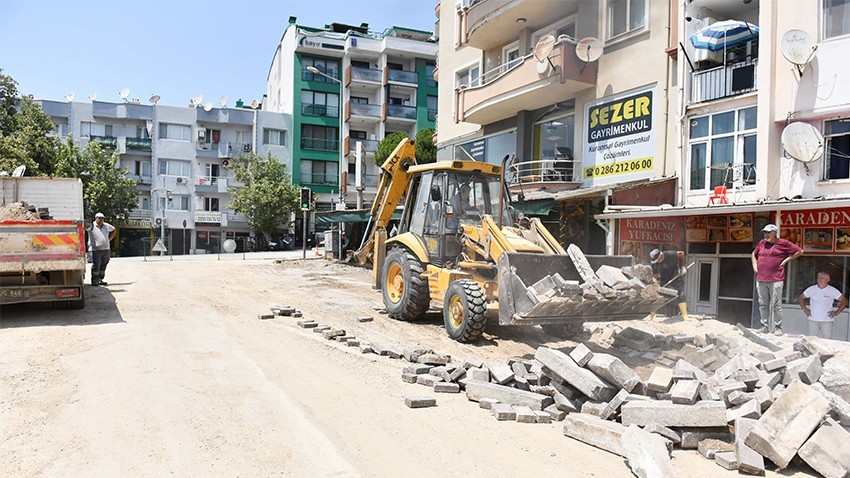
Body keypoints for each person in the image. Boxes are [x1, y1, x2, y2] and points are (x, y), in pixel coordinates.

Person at [752, 224, 803, 336]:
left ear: (774, 233)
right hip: (761, 278)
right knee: (763, 304)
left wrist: (786, 261)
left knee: (776, 304)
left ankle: (777, 327)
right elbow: (753, 254)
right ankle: (764, 326)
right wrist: (755, 265)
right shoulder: (762, 243)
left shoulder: (783, 243)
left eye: (768, 232)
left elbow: (799, 251)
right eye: (765, 232)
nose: (766, 234)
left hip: (776, 278)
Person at [799, 271, 847, 339]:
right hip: (813, 319)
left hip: (826, 320)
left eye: (822, 278)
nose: (820, 279)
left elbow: (844, 301)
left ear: (828, 280)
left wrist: (836, 313)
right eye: (818, 278)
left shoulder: (832, 290)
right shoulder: (812, 289)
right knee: (812, 339)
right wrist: (805, 309)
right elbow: (801, 298)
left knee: (827, 341)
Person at [648, 248, 689, 320]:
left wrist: (682, 267)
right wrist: (655, 284)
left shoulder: (670, 254)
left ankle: (685, 316)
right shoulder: (655, 263)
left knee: (681, 294)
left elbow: (682, 253)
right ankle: (651, 315)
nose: (657, 262)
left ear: (661, 255)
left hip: (675, 276)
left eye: (657, 260)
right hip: (664, 279)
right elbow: (655, 276)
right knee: (657, 296)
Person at [89, 212, 115, 286]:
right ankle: (94, 280)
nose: (101, 220)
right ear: (96, 218)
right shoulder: (92, 226)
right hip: (96, 250)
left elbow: (113, 230)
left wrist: (109, 239)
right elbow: (83, 229)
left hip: (106, 249)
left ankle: (100, 279)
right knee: (96, 265)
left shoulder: (106, 226)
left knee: (104, 264)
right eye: (99, 218)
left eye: (102, 218)